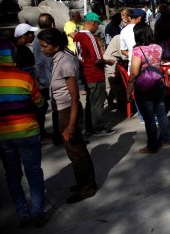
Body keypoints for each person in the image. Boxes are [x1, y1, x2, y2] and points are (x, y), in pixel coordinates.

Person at [0, 38, 47, 227]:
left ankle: (23, 213)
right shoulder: (24, 77)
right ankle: (38, 211)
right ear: (11, 55)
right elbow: (40, 103)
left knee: (12, 174)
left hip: (3, 135)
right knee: (33, 171)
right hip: (28, 131)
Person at [37, 28, 97, 204]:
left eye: (45, 46)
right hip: (61, 110)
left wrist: (71, 125)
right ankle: (83, 183)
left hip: (67, 111)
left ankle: (87, 188)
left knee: (76, 151)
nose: (42, 49)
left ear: (55, 46)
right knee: (75, 150)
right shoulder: (58, 58)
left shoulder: (66, 62)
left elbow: (74, 96)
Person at [126, 22, 170, 153]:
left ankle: (152, 146)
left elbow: (134, 72)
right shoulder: (158, 47)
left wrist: (129, 91)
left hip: (144, 87)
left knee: (149, 117)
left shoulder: (137, 51)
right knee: (162, 113)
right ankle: (165, 139)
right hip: (157, 83)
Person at [74, 12, 115, 136]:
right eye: (97, 24)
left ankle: (90, 127)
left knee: (90, 101)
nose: (97, 27)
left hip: (84, 71)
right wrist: (108, 61)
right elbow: (98, 59)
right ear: (92, 23)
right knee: (97, 102)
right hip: (94, 73)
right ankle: (98, 128)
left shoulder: (77, 36)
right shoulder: (90, 37)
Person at [33, 13, 62, 145]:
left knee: (42, 108)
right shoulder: (48, 40)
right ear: (52, 24)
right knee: (55, 109)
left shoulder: (36, 39)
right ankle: (57, 135)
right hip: (50, 79)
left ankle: (42, 133)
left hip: (42, 79)